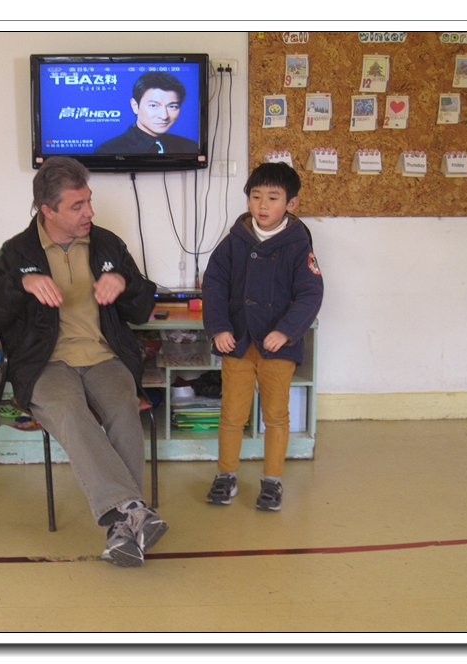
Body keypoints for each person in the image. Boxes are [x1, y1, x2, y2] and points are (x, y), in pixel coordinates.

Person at [0, 157, 167, 568]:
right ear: (48, 210)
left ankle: (122, 527)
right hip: (44, 364)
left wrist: (125, 283)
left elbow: (142, 308)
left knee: (123, 407)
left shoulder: (108, 245)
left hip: (104, 356)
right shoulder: (16, 252)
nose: (89, 212)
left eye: (89, 201)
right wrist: (19, 284)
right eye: (78, 206)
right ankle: (133, 510)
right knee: (68, 408)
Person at [201, 162, 323, 511]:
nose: (263, 205)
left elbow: (310, 294)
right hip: (238, 344)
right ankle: (226, 475)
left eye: (273, 197)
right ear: (248, 200)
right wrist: (219, 328)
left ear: (291, 203)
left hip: (277, 349)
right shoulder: (233, 242)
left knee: (276, 416)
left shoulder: (298, 245)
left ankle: (272, 481)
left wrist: (285, 331)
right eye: (256, 196)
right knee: (231, 415)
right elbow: (213, 285)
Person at [95, 71, 199, 154]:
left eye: (172, 106)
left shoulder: (190, 147)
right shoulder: (109, 151)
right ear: (135, 106)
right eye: (153, 105)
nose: (164, 116)